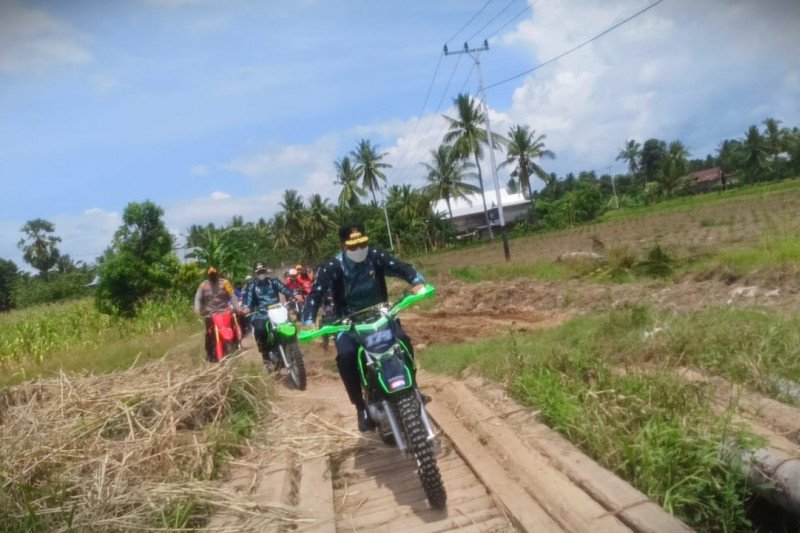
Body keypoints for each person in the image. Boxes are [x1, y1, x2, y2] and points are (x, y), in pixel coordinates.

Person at [302, 223, 425, 431]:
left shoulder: (375, 255)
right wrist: (308, 321)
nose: (359, 249)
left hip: (381, 316)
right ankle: (361, 407)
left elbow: (400, 266)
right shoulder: (333, 267)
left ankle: (412, 388)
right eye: (352, 246)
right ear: (343, 246)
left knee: (402, 341)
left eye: (362, 243)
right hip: (347, 323)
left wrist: (416, 281)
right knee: (346, 357)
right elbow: (315, 294)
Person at [242, 263, 299, 368]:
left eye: (263, 271)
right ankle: (266, 354)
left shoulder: (273, 281)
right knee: (260, 329)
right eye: (259, 272)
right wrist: (247, 307)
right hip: (261, 313)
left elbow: (284, 289)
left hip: (277, 309)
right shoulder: (252, 285)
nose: (261, 274)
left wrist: (293, 295)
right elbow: (249, 299)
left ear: (266, 271)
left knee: (291, 324)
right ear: (256, 273)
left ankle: (293, 347)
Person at [194, 266, 241, 362]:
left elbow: (232, 296)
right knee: (208, 335)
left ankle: (236, 346)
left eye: (214, 274)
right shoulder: (203, 285)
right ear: (208, 275)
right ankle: (210, 354)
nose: (212, 276)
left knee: (232, 328)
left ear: (217, 274)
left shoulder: (225, 283)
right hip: (210, 314)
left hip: (224, 312)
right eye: (211, 275)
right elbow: (197, 298)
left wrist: (237, 307)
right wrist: (197, 309)